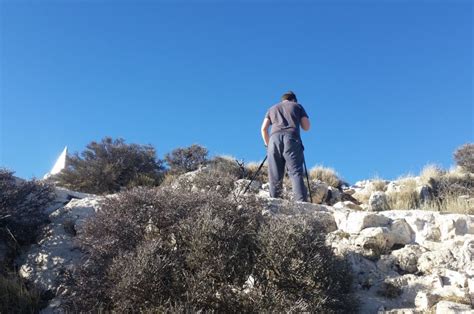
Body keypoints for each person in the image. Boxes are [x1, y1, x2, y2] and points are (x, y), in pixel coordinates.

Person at [261, 91, 311, 202]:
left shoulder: (272, 108)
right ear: (293, 99)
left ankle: (275, 202)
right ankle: (301, 203)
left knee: (274, 174)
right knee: (295, 172)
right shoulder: (297, 106)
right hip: (291, 139)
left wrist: (267, 145)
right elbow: (306, 127)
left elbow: (263, 129)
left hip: (273, 141)